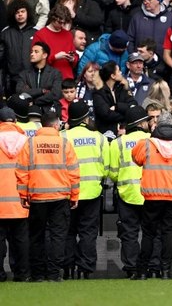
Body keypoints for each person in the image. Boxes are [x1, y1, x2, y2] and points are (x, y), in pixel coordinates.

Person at [130, 112, 172, 280]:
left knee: (149, 234)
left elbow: (136, 158)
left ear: (157, 125)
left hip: (152, 196)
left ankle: (142, 271)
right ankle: (165, 271)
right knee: (168, 233)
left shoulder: (146, 144)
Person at [16, 111, 80, 282]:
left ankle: (37, 274)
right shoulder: (64, 144)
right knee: (58, 235)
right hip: (60, 197)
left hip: (37, 197)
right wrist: (74, 196)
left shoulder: (30, 144)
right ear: (55, 125)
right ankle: (54, 274)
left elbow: (22, 172)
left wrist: (23, 195)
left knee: (36, 236)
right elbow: (73, 172)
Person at [60, 102, 110, 279]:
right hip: (92, 192)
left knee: (68, 231)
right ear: (85, 118)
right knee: (88, 232)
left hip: (67, 192)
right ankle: (85, 270)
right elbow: (106, 167)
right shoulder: (99, 137)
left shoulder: (62, 136)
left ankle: (67, 269)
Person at [108, 106, 150, 279]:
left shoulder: (118, 142)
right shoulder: (152, 139)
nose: (149, 123)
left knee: (129, 233)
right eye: (146, 120)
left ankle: (132, 268)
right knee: (151, 233)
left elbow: (112, 172)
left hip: (127, 194)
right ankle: (150, 267)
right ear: (140, 123)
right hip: (150, 193)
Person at [0, 107, 30, 282]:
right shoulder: (26, 141)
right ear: (16, 121)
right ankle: (23, 273)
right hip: (21, 200)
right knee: (21, 240)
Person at [32, 4, 77, 80]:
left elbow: (75, 57)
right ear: (52, 18)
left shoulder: (68, 35)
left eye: (64, 23)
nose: (62, 25)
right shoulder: (40, 35)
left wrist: (72, 59)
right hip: (48, 79)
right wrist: (55, 57)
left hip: (67, 78)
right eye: (59, 22)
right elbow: (36, 60)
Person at [93, 61, 137, 139]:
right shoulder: (98, 93)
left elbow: (134, 106)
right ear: (113, 76)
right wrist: (126, 114)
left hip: (124, 133)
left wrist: (117, 107)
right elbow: (106, 114)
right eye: (118, 71)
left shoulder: (123, 88)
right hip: (106, 134)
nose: (121, 73)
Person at [16, 42, 62, 112]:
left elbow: (55, 94)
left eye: (36, 52)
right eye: (31, 52)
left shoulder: (55, 73)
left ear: (44, 55)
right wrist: (42, 91)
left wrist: (34, 102)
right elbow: (20, 91)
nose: (32, 54)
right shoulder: (24, 74)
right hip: (29, 111)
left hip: (49, 112)